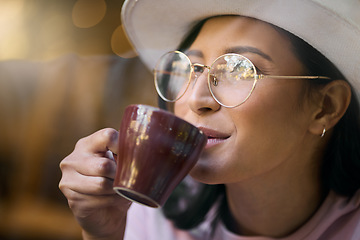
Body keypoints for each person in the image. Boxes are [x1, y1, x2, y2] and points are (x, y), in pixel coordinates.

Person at [59, 0, 360, 239]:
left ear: (325, 106)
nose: (195, 99)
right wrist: (105, 235)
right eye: (190, 68)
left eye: (238, 70)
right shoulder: (150, 211)